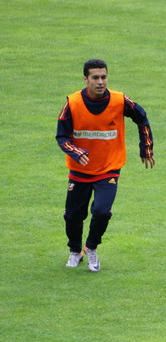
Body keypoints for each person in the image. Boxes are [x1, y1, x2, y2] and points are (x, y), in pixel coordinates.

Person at [56, 59, 155, 272]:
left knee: (101, 211)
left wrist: (146, 148)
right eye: (95, 77)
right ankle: (75, 251)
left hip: (108, 168)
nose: (100, 82)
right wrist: (76, 152)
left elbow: (142, 118)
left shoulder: (120, 100)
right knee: (72, 215)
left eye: (103, 77)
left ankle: (91, 247)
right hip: (80, 170)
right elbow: (62, 136)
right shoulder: (72, 103)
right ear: (85, 79)